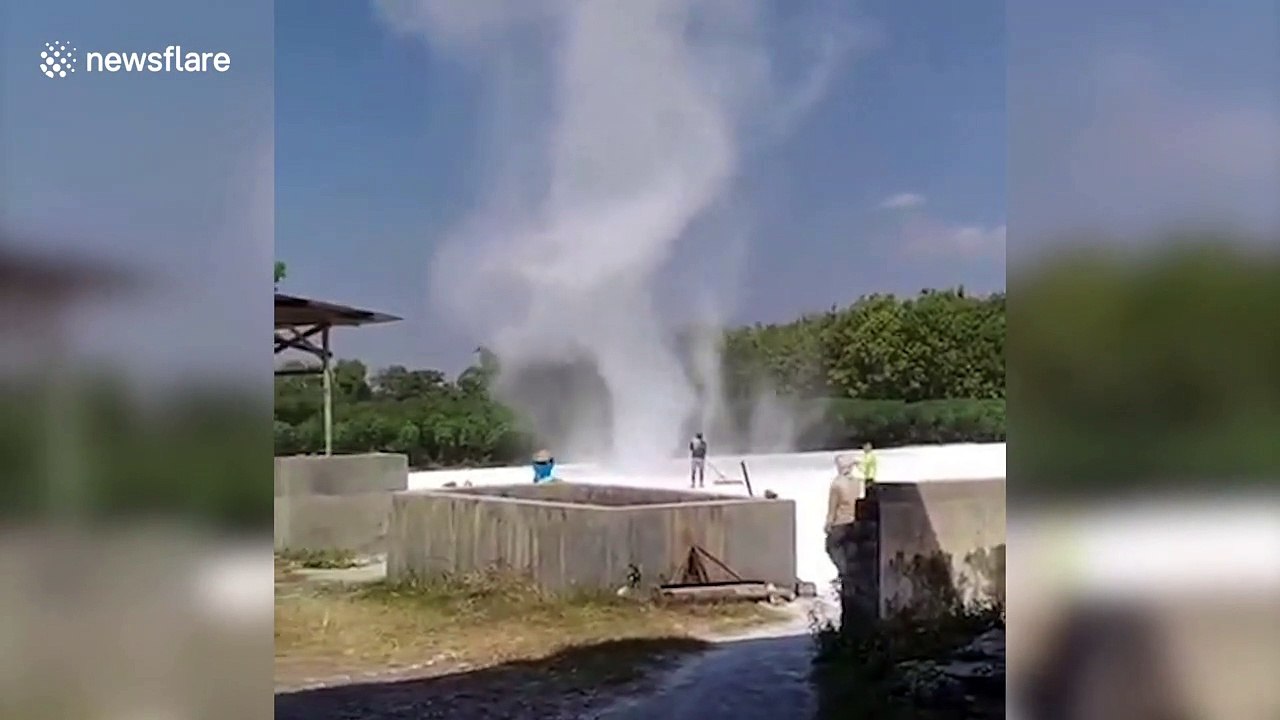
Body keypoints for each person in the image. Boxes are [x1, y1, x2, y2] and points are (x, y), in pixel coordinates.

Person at [824, 454, 864, 580]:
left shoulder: (836, 484)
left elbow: (833, 508)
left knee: (831, 545)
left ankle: (844, 573)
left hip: (841, 523)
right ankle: (851, 574)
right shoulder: (857, 482)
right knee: (849, 549)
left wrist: (828, 524)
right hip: (854, 522)